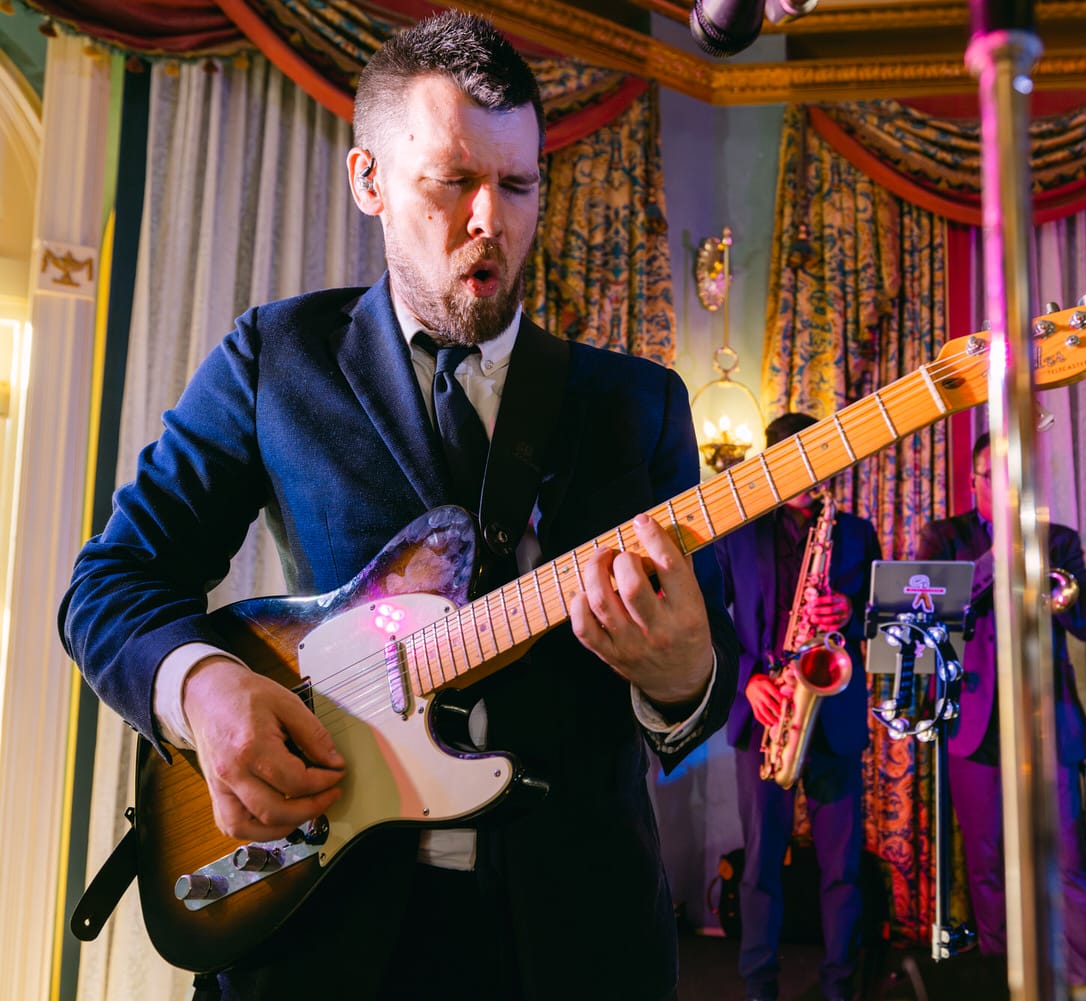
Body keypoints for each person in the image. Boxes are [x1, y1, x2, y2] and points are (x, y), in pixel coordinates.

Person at [58, 12, 737, 1000]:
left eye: (517, 185)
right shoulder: (272, 358)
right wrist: (201, 685)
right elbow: (110, 580)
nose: (488, 222)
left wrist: (682, 675)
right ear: (369, 180)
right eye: (453, 180)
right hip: (316, 930)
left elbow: (703, 681)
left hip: (578, 942)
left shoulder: (638, 404)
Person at [915, 431, 1086, 985]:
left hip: (1050, 727)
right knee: (988, 871)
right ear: (974, 483)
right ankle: (1009, 985)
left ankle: (1085, 985)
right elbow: (925, 621)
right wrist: (996, 559)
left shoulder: (1059, 541)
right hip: (974, 726)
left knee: (1071, 865)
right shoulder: (944, 538)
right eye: (993, 475)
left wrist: (1052, 577)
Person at [713, 412, 883, 1001]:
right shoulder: (738, 533)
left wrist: (851, 615)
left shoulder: (855, 532)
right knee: (760, 868)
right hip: (767, 716)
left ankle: (841, 987)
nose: (812, 473)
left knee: (843, 869)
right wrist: (745, 682)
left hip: (830, 716)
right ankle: (759, 987)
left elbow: (884, 626)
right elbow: (710, 625)